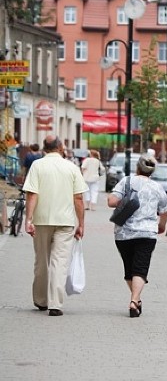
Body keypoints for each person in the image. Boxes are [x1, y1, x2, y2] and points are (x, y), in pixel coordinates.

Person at [22, 135, 88, 316]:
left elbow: (32, 194)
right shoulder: (71, 167)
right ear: (60, 147)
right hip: (65, 221)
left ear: (45, 148)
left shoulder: (37, 166)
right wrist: (81, 223)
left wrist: (28, 220)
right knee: (59, 262)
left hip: (41, 220)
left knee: (41, 260)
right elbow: (78, 198)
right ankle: (55, 304)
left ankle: (41, 300)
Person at [107, 153, 167, 318]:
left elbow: (111, 201)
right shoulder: (157, 187)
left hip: (123, 233)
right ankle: (135, 300)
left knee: (129, 268)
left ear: (138, 167)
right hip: (147, 233)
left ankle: (135, 300)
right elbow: (164, 211)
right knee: (140, 268)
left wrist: (127, 201)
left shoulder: (126, 181)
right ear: (152, 171)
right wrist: (161, 226)